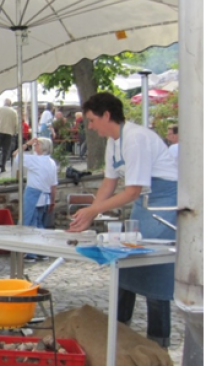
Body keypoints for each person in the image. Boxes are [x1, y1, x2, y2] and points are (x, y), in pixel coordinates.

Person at [69, 92, 178, 347]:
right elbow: (109, 182)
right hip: (145, 205)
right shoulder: (113, 141)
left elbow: (132, 191)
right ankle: (117, 336)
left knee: (156, 271)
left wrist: (93, 211)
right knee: (125, 265)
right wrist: (88, 215)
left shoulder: (136, 138)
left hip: (164, 206)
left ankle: (158, 343)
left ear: (107, 115)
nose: (91, 126)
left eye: (93, 120)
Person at [14, 138, 57, 262]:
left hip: (34, 195)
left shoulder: (36, 160)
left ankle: (32, 252)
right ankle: (42, 251)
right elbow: (54, 184)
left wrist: (26, 144)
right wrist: (53, 199)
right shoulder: (51, 162)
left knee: (30, 224)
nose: (34, 146)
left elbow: (16, 155)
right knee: (39, 224)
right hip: (45, 196)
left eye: (36, 145)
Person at [0, 98, 18, 173]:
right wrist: (15, 132)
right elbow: (16, 124)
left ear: (4, 103)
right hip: (9, 132)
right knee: (5, 150)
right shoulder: (14, 112)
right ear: (10, 104)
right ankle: (3, 166)